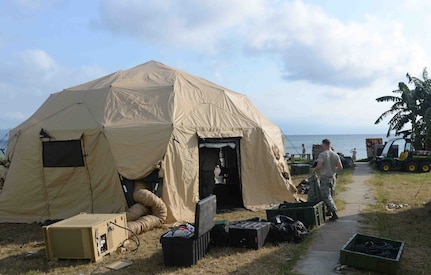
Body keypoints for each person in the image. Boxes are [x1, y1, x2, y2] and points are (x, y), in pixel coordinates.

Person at [312, 139, 343, 221]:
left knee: (325, 195)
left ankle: (334, 212)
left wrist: (314, 170)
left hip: (325, 177)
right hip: (333, 177)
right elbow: (340, 167)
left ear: (324, 145)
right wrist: (333, 169)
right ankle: (329, 211)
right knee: (331, 195)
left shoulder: (322, 155)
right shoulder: (335, 154)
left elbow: (319, 166)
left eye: (322, 145)